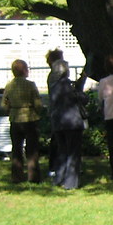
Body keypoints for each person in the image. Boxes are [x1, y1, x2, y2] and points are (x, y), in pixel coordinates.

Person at [0, 59, 43, 183]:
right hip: (30, 118)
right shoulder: (30, 85)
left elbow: (4, 104)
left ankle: (17, 176)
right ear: (24, 70)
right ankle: (33, 176)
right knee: (32, 149)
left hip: (15, 118)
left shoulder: (9, 85)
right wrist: (38, 111)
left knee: (16, 149)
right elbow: (38, 103)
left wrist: (10, 109)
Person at [48, 59, 88, 189]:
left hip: (58, 122)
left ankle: (59, 178)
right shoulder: (67, 85)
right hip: (72, 122)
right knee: (73, 153)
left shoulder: (53, 85)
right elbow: (80, 98)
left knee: (62, 151)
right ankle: (71, 182)